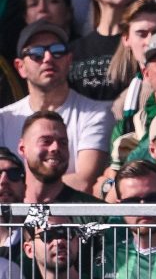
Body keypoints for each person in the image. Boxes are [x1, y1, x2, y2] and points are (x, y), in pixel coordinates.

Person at [1, 20, 111, 190]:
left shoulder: (96, 113)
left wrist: (18, 188)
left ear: (69, 60)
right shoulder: (3, 119)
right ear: (20, 67)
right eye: (36, 53)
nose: (48, 58)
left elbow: (84, 182)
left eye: (57, 51)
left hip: (70, 215)